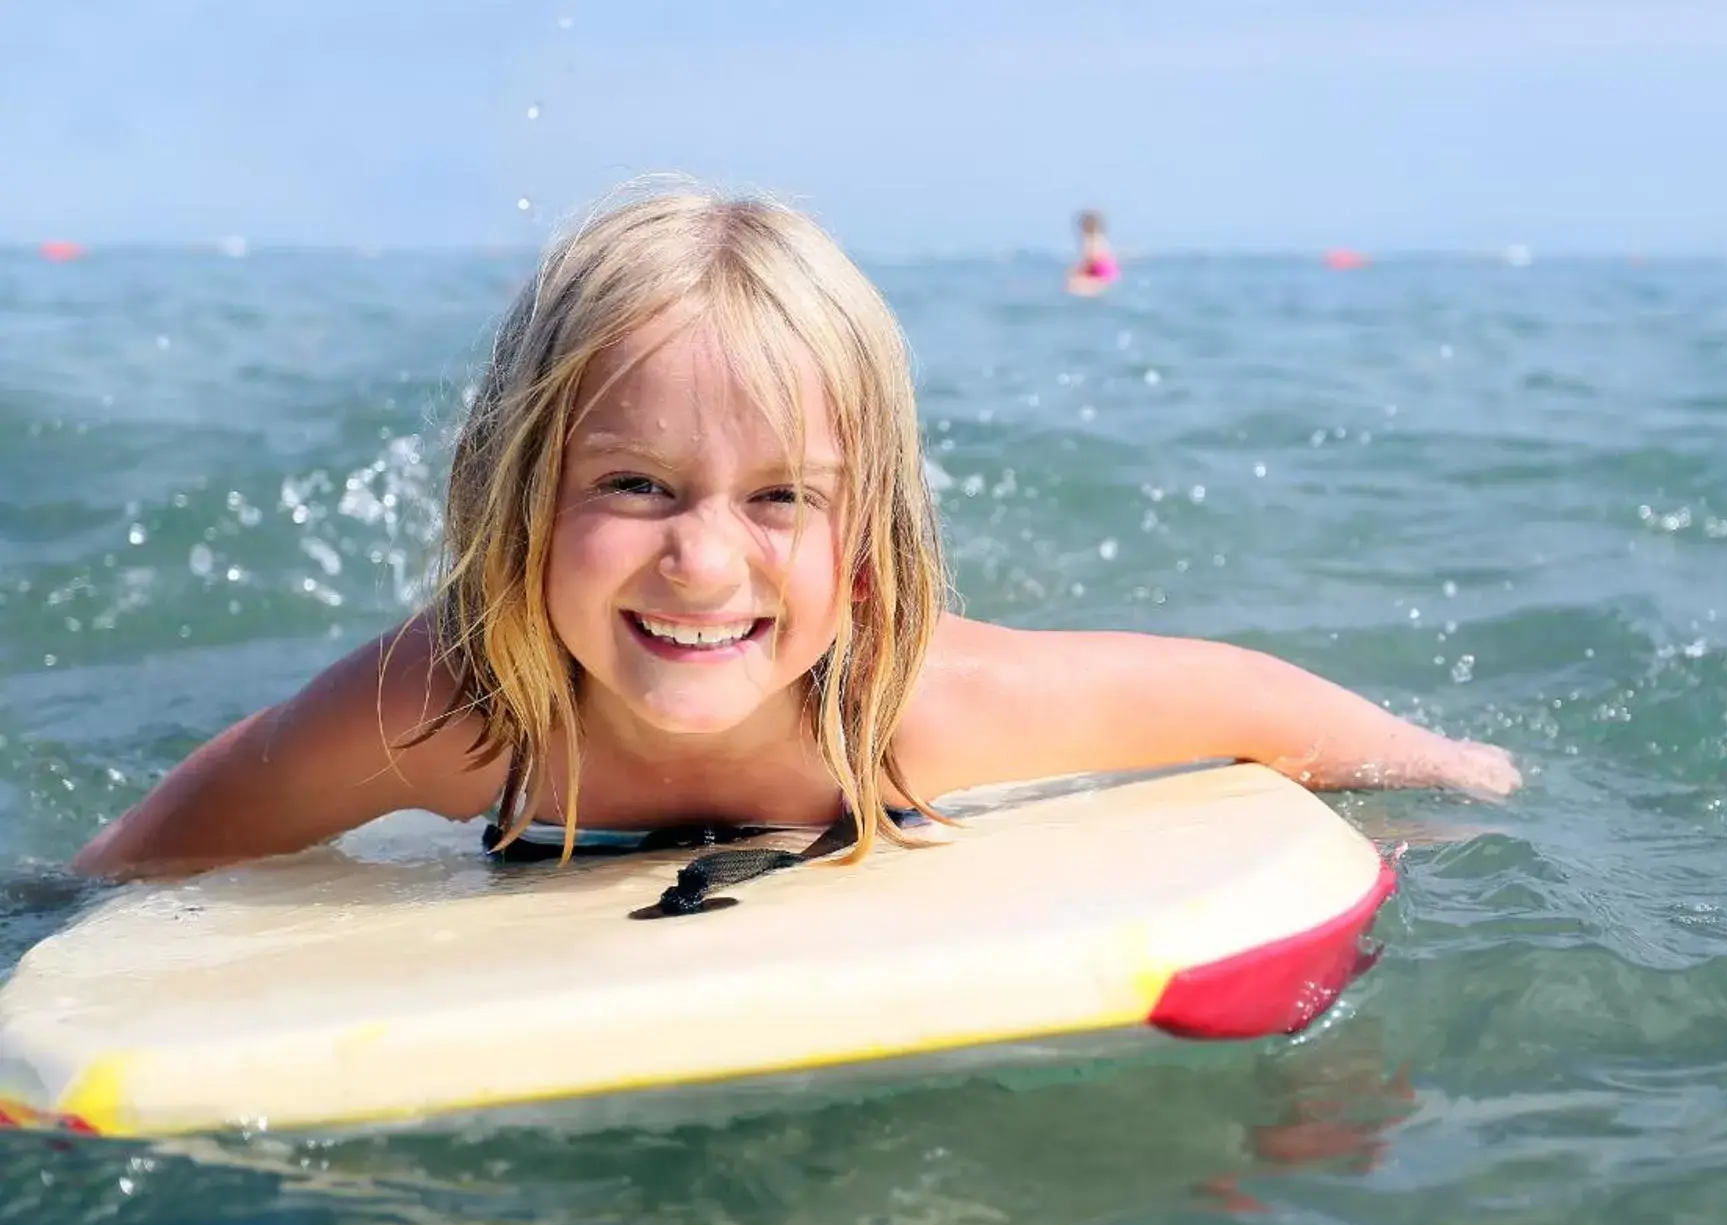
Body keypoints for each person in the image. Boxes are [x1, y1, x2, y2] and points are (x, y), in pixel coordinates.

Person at [73, 186, 1517, 880]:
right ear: (515, 494)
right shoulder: (451, 715)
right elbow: (181, 828)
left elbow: (1239, 699)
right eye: (635, 487)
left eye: (781, 498)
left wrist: (1438, 774)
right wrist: (64, 910)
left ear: (870, 536)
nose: (703, 562)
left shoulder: (918, 718)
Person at [1065, 209, 1118, 296]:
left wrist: (1076, 271)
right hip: (1106, 271)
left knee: (1072, 284)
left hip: (1101, 271)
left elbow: (1090, 260)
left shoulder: (1090, 240)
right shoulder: (1100, 238)